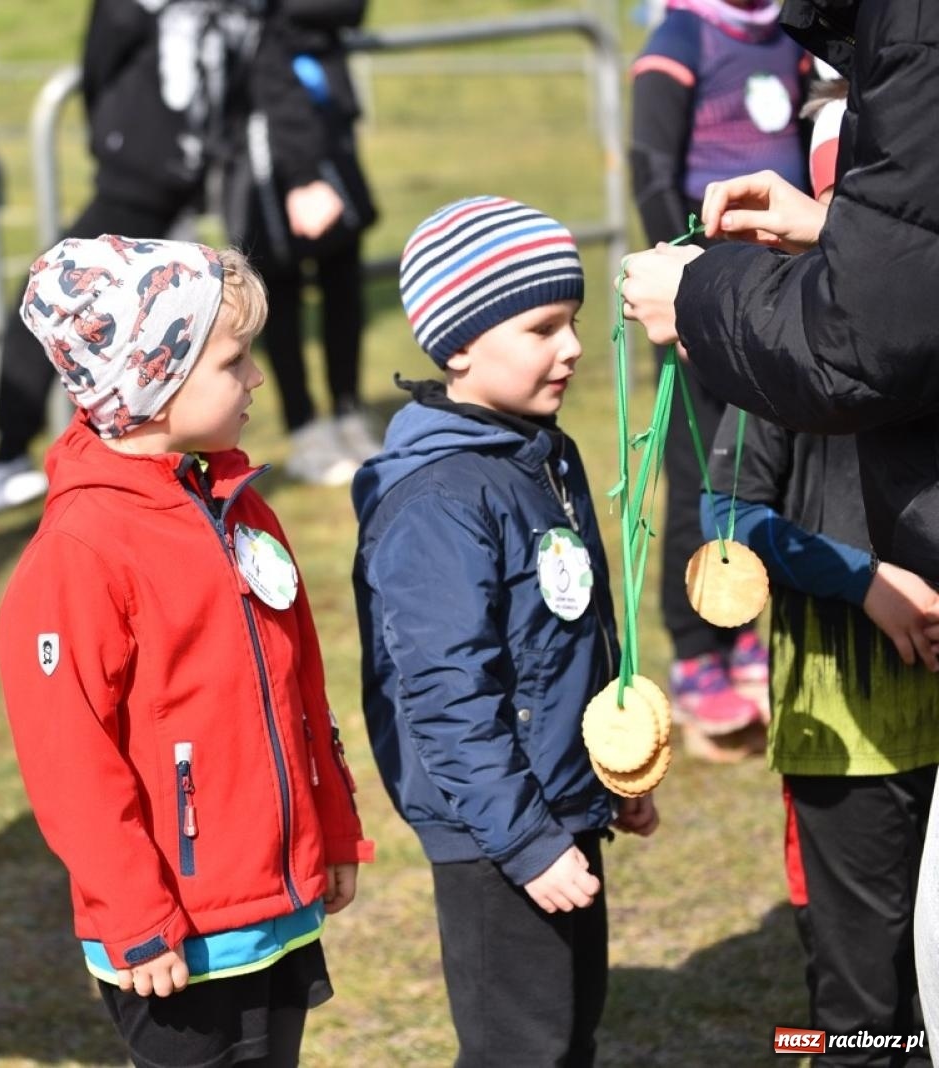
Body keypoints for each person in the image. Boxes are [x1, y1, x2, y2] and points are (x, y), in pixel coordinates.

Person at [617, 0, 939, 1034]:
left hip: (922, 711)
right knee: (854, 995)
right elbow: (727, 512)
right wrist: (864, 582)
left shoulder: (897, 334)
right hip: (839, 726)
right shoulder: (777, 343)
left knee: (919, 968)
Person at [0, 235, 373, 1067]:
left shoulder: (237, 506)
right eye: (235, 360)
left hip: (269, 904)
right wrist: (134, 916)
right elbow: (70, 761)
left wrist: (333, 829)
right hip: (173, 937)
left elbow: (301, 692)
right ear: (154, 379)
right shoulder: (81, 553)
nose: (257, 378)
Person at [353, 197, 659, 1065]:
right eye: (541, 326)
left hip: (560, 800)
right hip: (496, 831)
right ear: (459, 344)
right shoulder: (442, 500)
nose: (570, 347)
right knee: (518, 1045)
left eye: (573, 323)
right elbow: (446, 693)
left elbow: (565, 631)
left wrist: (613, 767)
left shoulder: (538, 452)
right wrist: (522, 839)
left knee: (568, 1029)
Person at [0, 0, 345, 522]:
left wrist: (299, 170)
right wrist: (116, 139)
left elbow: (261, 67)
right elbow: (104, 60)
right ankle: (18, 450)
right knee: (81, 306)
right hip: (149, 168)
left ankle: (22, 454)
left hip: (177, 170)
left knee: (175, 319)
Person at [704, 402, 937, 1066]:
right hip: (844, 740)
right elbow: (726, 518)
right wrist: (863, 582)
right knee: (861, 1011)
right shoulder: (780, 358)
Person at [628, 0, 811, 756]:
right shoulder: (681, 35)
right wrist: (688, 287)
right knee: (698, 475)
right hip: (698, 304)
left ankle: (742, 635)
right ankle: (695, 648)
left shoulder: (794, 36)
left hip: (781, 298)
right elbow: (648, 167)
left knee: (764, 474)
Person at [232, 0, 379, 486]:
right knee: (279, 289)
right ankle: (305, 429)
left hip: (327, 126)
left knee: (343, 281)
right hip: (266, 141)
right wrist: (300, 174)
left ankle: (347, 412)